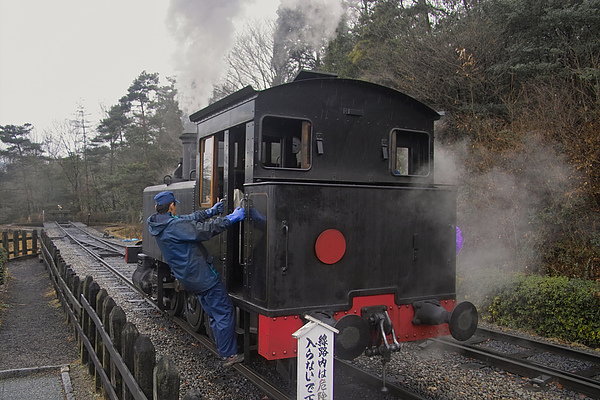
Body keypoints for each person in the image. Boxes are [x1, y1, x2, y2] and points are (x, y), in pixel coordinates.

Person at [147, 190, 246, 367]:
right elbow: (203, 230)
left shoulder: (161, 224)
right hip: (202, 276)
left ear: (156, 207)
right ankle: (229, 354)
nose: (176, 208)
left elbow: (189, 219)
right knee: (223, 312)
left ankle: (223, 347)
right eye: (175, 205)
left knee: (214, 313)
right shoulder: (173, 227)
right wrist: (230, 219)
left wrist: (211, 211)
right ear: (171, 206)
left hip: (190, 277)